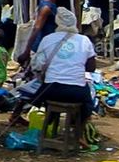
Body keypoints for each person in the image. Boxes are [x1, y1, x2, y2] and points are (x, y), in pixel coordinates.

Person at [30, 8, 97, 149]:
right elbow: (91, 68)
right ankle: (77, 134)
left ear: (57, 22)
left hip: (50, 89)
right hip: (75, 91)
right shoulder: (84, 40)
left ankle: (49, 124)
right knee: (88, 104)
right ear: (75, 23)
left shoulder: (47, 39)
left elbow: (38, 64)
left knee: (45, 98)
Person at [17, 0, 64, 66]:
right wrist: (26, 52)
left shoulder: (46, 2)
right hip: (42, 47)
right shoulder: (47, 7)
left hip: (46, 46)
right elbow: (36, 29)